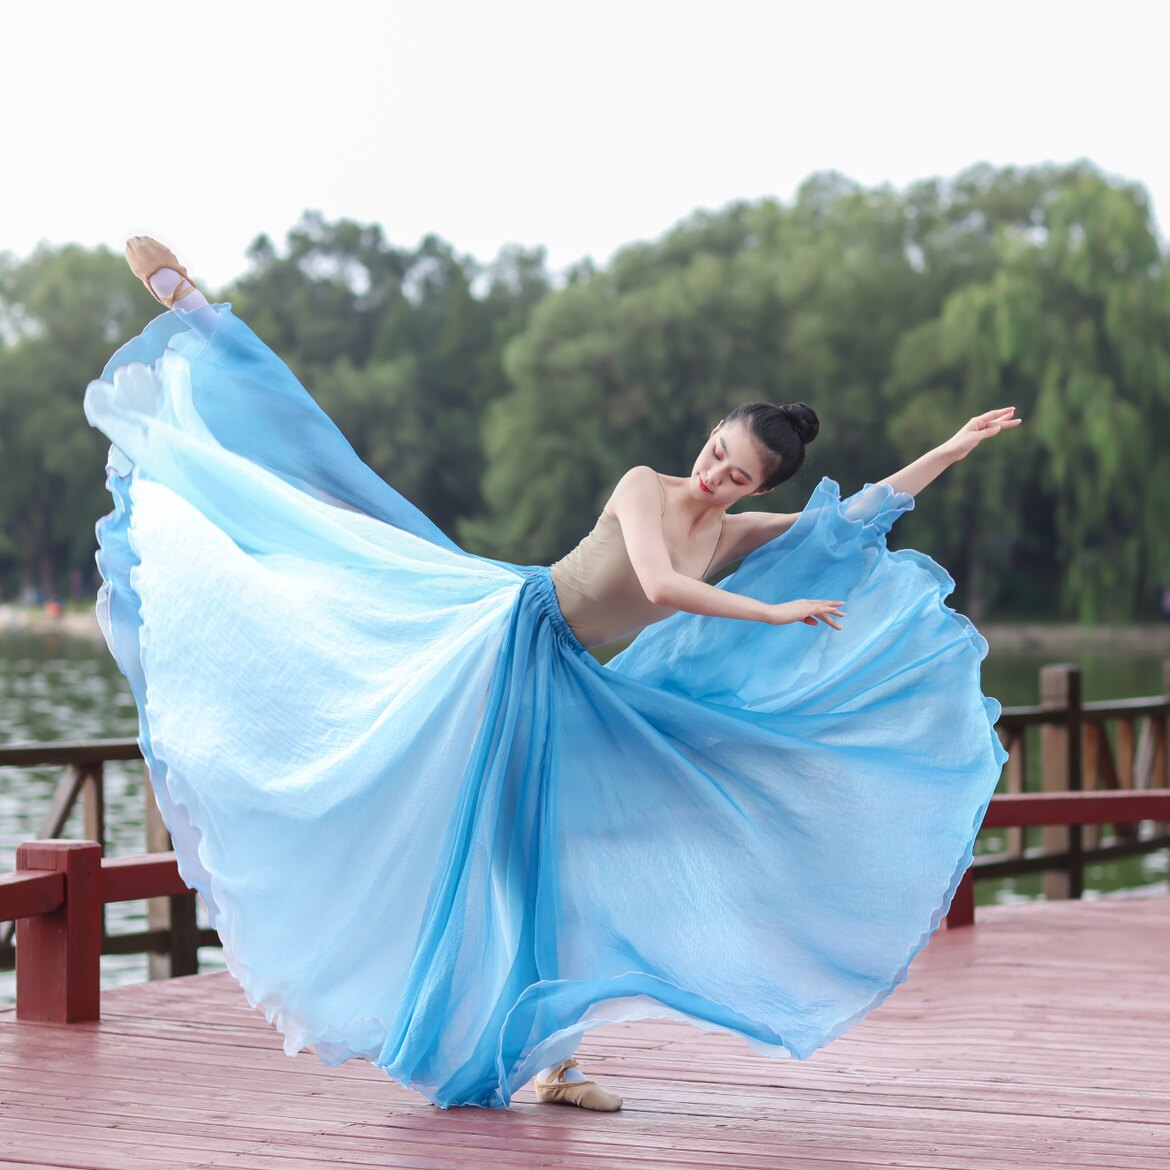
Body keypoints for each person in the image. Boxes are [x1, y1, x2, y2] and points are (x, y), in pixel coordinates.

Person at [84, 237, 1016, 1112]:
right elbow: (659, 584)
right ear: (710, 436)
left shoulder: (731, 535)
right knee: (342, 525)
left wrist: (951, 448)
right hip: (503, 638)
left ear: (760, 490)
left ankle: (548, 1058)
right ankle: (199, 315)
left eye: (737, 477)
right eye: (717, 453)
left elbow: (851, 518)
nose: (715, 476)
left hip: (563, 678)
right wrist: (773, 612)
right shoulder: (644, 485)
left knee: (542, 860)